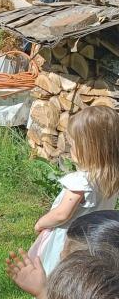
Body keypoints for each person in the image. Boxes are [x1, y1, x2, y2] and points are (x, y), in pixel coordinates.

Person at [29, 106, 119, 275]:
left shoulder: (80, 182)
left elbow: (61, 214)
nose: (70, 150)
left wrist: (41, 223)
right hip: (94, 237)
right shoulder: (111, 177)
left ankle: (49, 289)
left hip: (68, 238)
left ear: (89, 148)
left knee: (56, 271)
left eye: (73, 145)